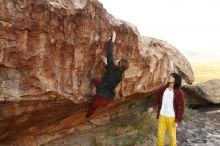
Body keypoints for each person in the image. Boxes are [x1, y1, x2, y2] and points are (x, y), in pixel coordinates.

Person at [86, 31, 129, 118]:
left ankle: (87, 116)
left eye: (118, 60)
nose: (117, 59)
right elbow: (111, 74)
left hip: (100, 97)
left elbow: (109, 53)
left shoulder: (112, 67)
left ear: (119, 64)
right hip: (108, 98)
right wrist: (106, 64)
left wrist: (112, 40)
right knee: (95, 80)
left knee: (92, 107)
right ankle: (91, 110)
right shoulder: (121, 74)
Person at [148, 73, 184, 146]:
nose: (170, 77)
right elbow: (157, 98)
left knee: (172, 137)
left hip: (172, 118)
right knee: (160, 135)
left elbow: (180, 107)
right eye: (170, 76)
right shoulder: (163, 89)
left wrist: (177, 120)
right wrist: (152, 106)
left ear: (175, 80)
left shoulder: (179, 92)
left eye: (172, 76)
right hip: (162, 116)